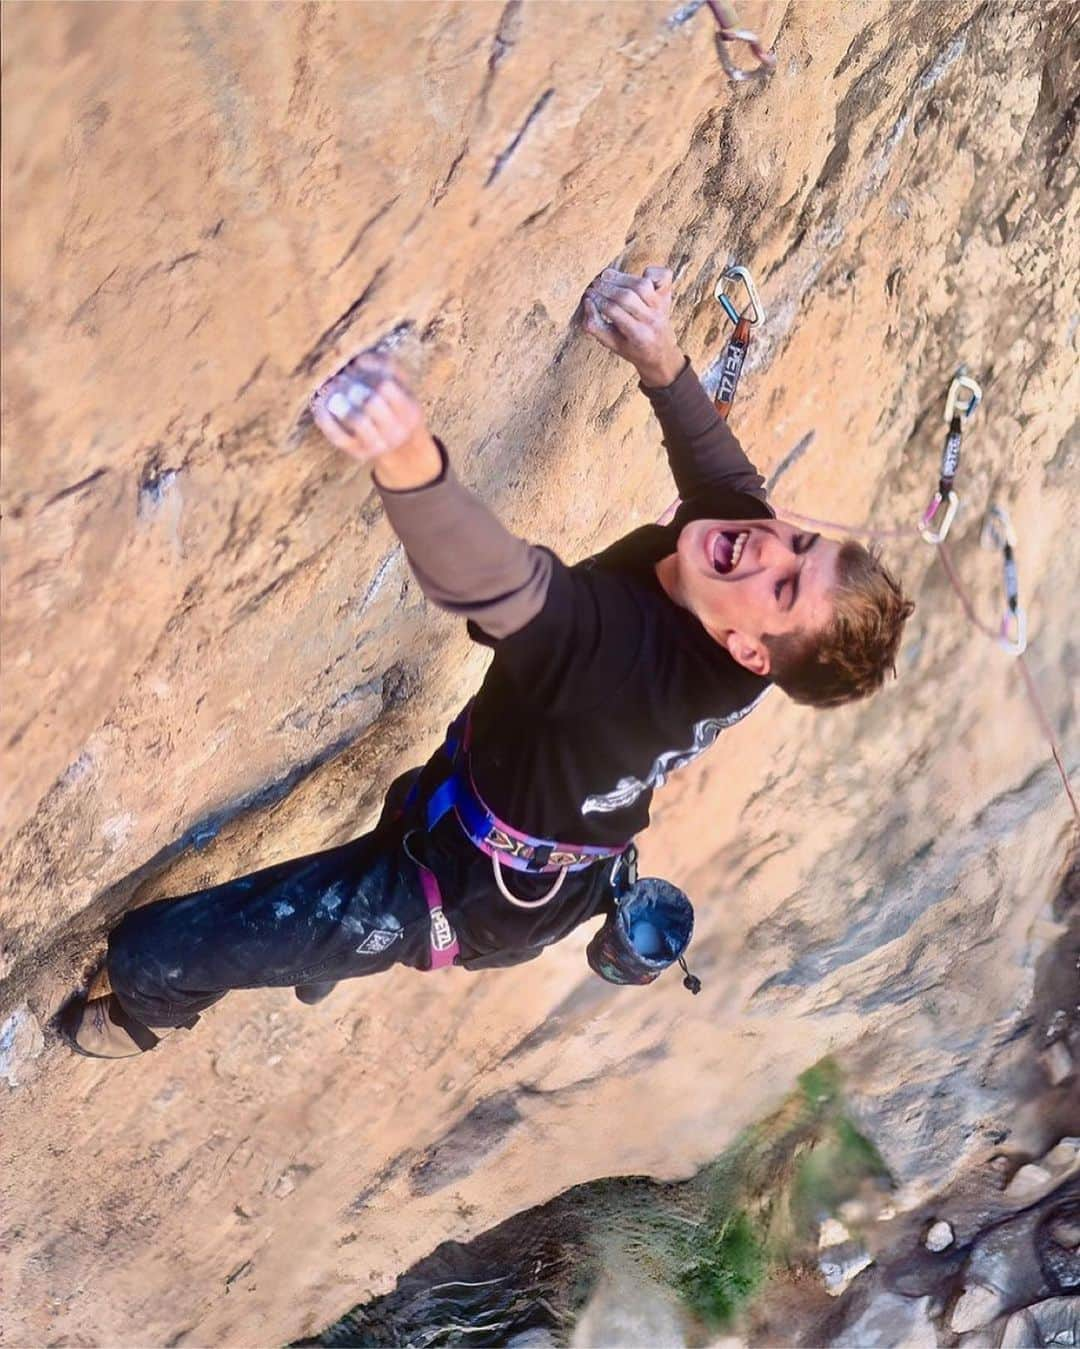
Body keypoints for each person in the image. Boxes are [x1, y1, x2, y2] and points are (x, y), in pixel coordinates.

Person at [65, 266, 914, 1058]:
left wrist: (405, 454)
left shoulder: (620, 665)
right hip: (498, 803)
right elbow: (727, 478)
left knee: (157, 947)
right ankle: (327, 952)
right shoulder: (743, 572)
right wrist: (662, 359)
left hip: (469, 896)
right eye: (801, 542)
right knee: (394, 823)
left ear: (747, 652)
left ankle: (146, 1016)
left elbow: (497, 583)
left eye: (784, 582)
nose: (767, 545)